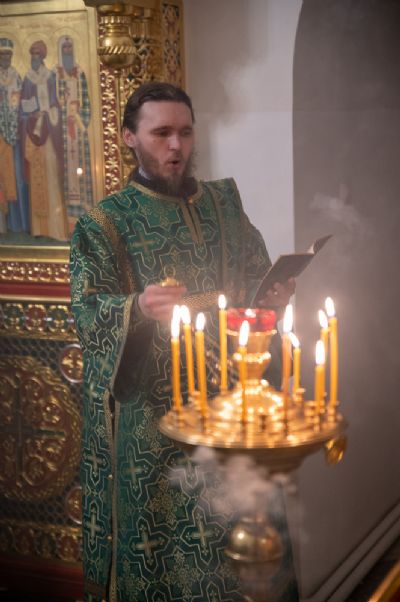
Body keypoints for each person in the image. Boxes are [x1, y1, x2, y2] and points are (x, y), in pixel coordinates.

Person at [70, 82, 297, 602]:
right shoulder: (104, 224)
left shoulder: (223, 205)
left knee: (246, 550)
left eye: (186, 132)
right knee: (170, 567)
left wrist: (275, 296)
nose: (176, 146)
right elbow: (87, 312)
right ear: (130, 137)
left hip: (232, 410)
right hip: (154, 429)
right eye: (162, 133)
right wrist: (136, 308)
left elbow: (255, 280)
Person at [20, 40, 68, 240]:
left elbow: (56, 103)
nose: (34, 58)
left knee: (51, 174)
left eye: (37, 54)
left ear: (42, 57)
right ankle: (39, 229)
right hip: (34, 131)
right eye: (32, 54)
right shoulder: (27, 79)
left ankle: (55, 229)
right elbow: (23, 107)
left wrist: (48, 114)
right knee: (36, 176)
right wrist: (31, 115)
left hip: (48, 130)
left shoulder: (50, 76)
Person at [55, 35, 93, 228]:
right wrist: (61, 113)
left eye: (70, 47)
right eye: (65, 48)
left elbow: (86, 101)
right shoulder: (56, 74)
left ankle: (83, 210)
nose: (68, 51)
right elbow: (53, 101)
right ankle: (66, 213)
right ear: (60, 51)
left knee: (80, 165)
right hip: (62, 129)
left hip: (77, 128)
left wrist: (80, 120)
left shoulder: (80, 73)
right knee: (65, 167)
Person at [0, 38, 29, 233]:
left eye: (8, 54)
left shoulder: (16, 76)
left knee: (17, 178)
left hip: (14, 134)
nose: (5, 57)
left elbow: (21, 104)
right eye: (2, 54)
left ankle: (18, 224)